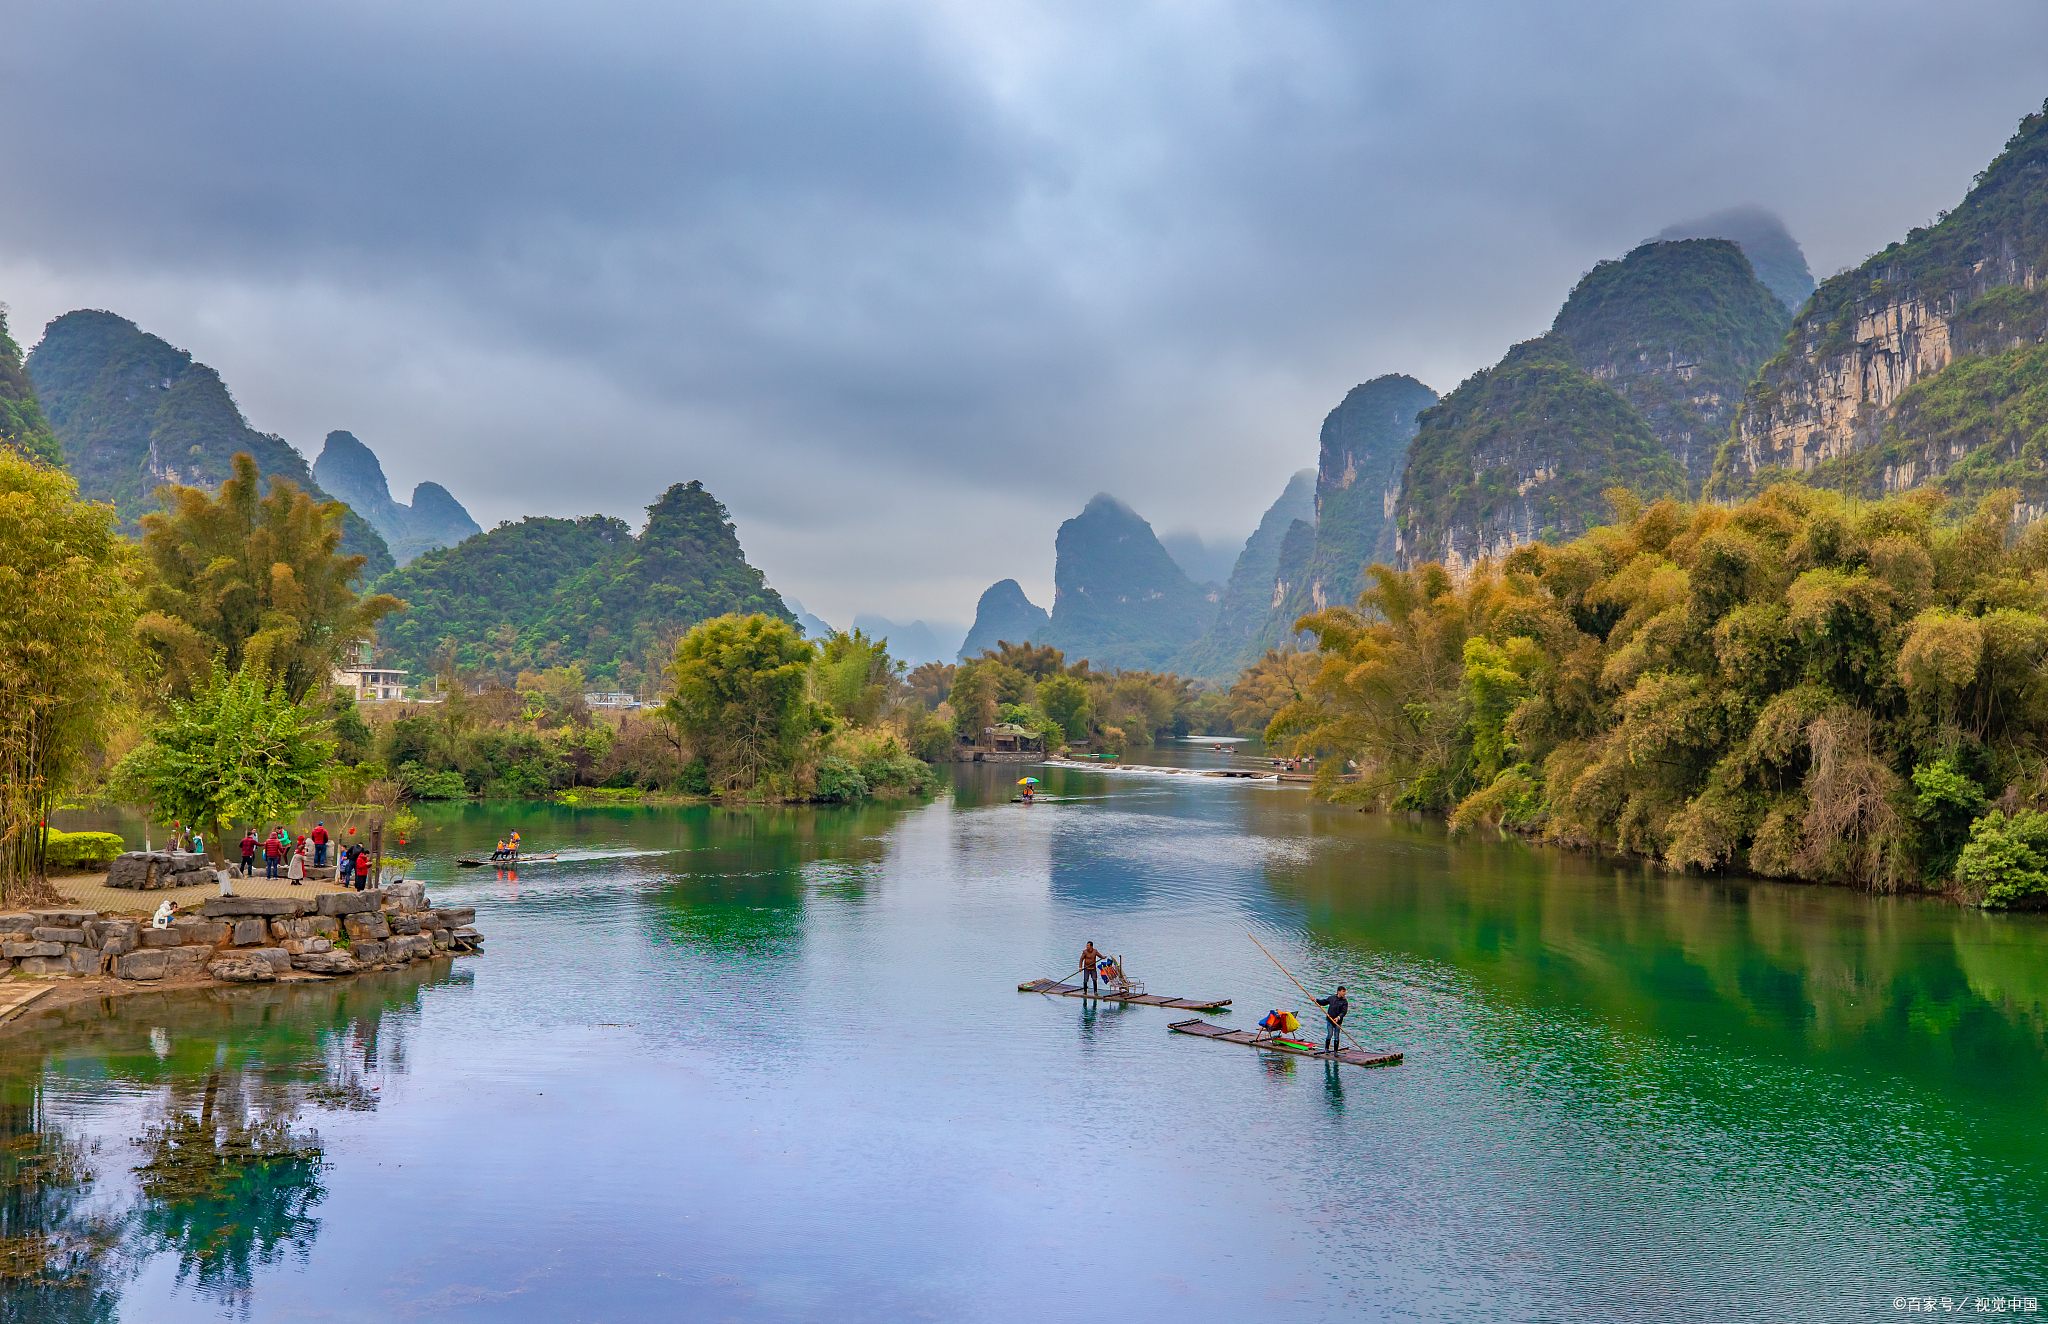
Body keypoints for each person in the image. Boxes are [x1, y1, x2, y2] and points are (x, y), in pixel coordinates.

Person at [1314, 985, 1349, 1053]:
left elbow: (1344, 1012)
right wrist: (1316, 1000)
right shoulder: (1332, 998)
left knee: (1337, 1036)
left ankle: (1335, 1051)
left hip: (1338, 1022)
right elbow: (1323, 1002)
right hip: (1330, 1020)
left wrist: (1338, 1017)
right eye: (1343, 991)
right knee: (1329, 1034)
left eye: (1345, 992)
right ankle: (1326, 1049)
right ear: (1339, 991)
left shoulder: (1345, 1002)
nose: (1344, 993)